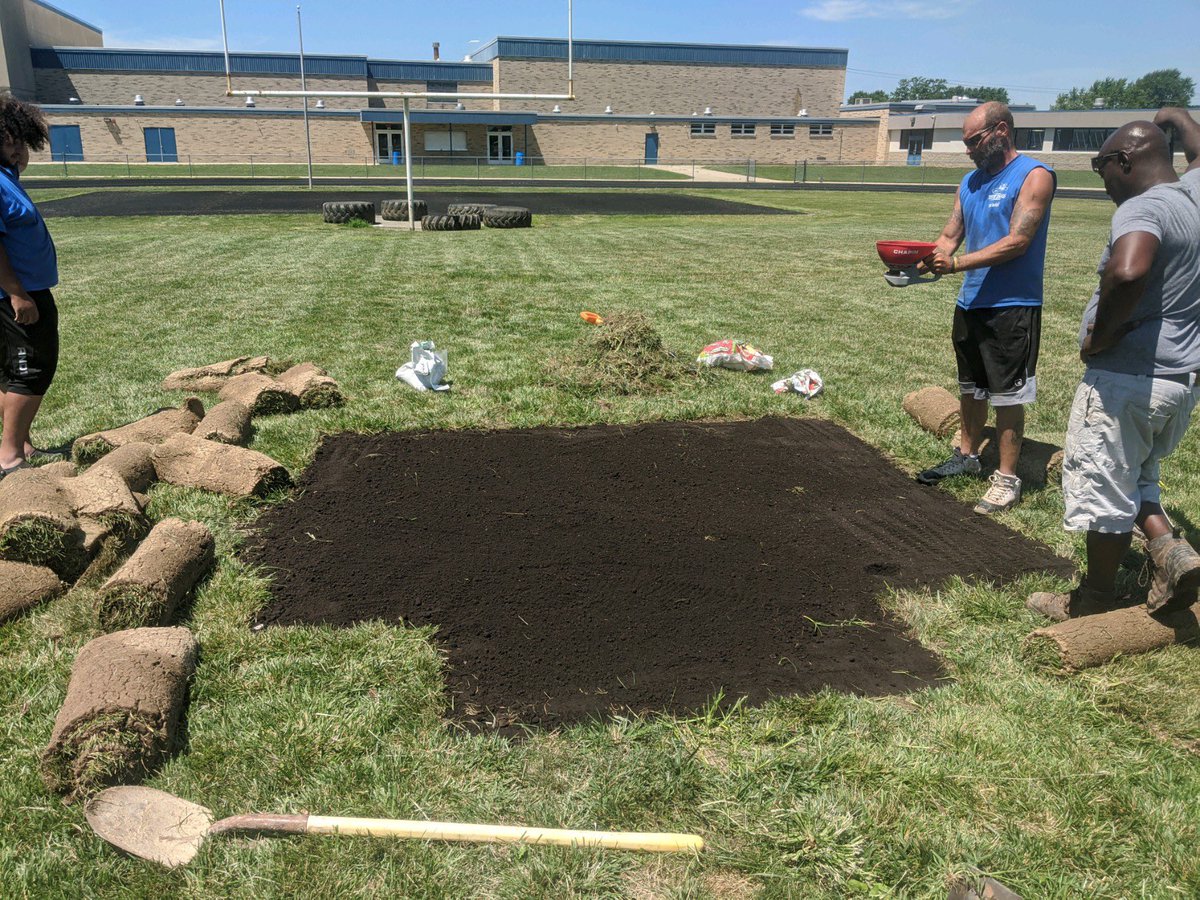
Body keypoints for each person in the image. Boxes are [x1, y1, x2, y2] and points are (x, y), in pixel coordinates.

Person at [1028, 108, 1200, 621]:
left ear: (1124, 160)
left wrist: (1100, 339)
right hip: (1178, 380)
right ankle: (1172, 553)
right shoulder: (1192, 198)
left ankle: (1093, 599)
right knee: (1138, 474)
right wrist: (1178, 117)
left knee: (1102, 486)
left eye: (1103, 169)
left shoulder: (1143, 209)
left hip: (1126, 378)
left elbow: (1128, 274)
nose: (1103, 183)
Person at [914, 102, 1057, 515]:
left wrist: (956, 263)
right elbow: (949, 235)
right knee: (970, 388)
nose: (969, 150)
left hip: (1012, 306)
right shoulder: (970, 182)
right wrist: (917, 262)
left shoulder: (1034, 176)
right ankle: (967, 456)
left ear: (1001, 131)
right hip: (971, 301)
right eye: (966, 143)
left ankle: (1006, 479)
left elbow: (1018, 242)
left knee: (1007, 395)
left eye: (974, 141)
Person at [0, 95, 58, 476]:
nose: (19, 148)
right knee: (31, 369)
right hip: (16, 294)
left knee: (8, 371)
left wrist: (15, 161)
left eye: (22, 140)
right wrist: (19, 293)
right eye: (10, 140)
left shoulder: (7, 177)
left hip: (20, 291)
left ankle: (20, 442)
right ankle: (9, 457)